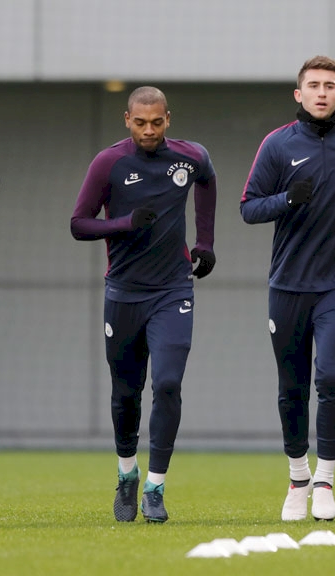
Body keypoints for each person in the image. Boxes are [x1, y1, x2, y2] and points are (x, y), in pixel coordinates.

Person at [240, 55, 335, 522]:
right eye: (313, 85)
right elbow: (248, 207)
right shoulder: (277, 145)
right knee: (292, 387)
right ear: (298, 94)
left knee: (330, 377)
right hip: (288, 284)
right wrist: (287, 199)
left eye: (330, 86)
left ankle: (325, 480)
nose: (322, 92)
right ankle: (297, 478)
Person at [70, 86, 217, 523]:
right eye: (140, 122)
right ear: (127, 120)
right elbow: (78, 224)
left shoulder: (190, 156)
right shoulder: (109, 162)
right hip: (124, 293)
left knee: (168, 384)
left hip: (173, 291)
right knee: (126, 394)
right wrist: (123, 224)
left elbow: (207, 180)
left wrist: (205, 242)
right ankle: (127, 474)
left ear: (168, 118)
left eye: (157, 122)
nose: (149, 130)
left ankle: (155, 486)